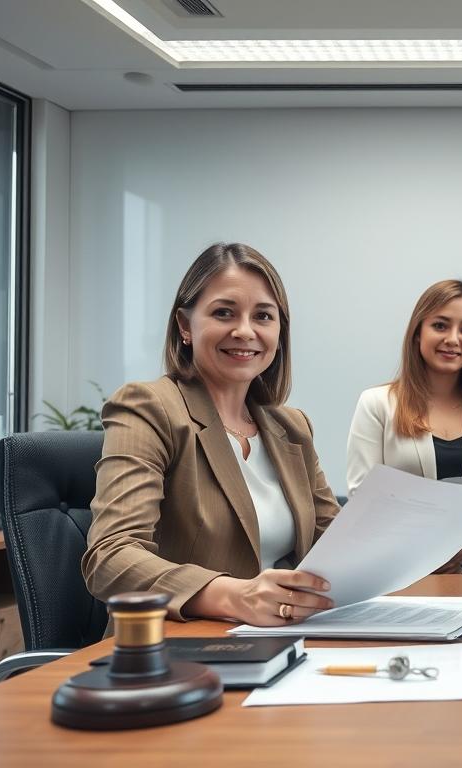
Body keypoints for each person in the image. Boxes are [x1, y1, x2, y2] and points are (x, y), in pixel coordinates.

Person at [82, 243, 338, 626]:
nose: (245, 330)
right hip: (179, 648)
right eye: (224, 313)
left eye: (263, 316)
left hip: (285, 640)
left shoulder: (292, 427)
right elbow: (111, 556)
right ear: (185, 325)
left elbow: (334, 543)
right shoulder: (149, 407)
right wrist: (234, 596)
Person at [346, 279, 462, 573]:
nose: (453, 339)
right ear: (417, 332)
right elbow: (363, 496)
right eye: (440, 325)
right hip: (395, 570)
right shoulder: (377, 404)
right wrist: (427, 549)